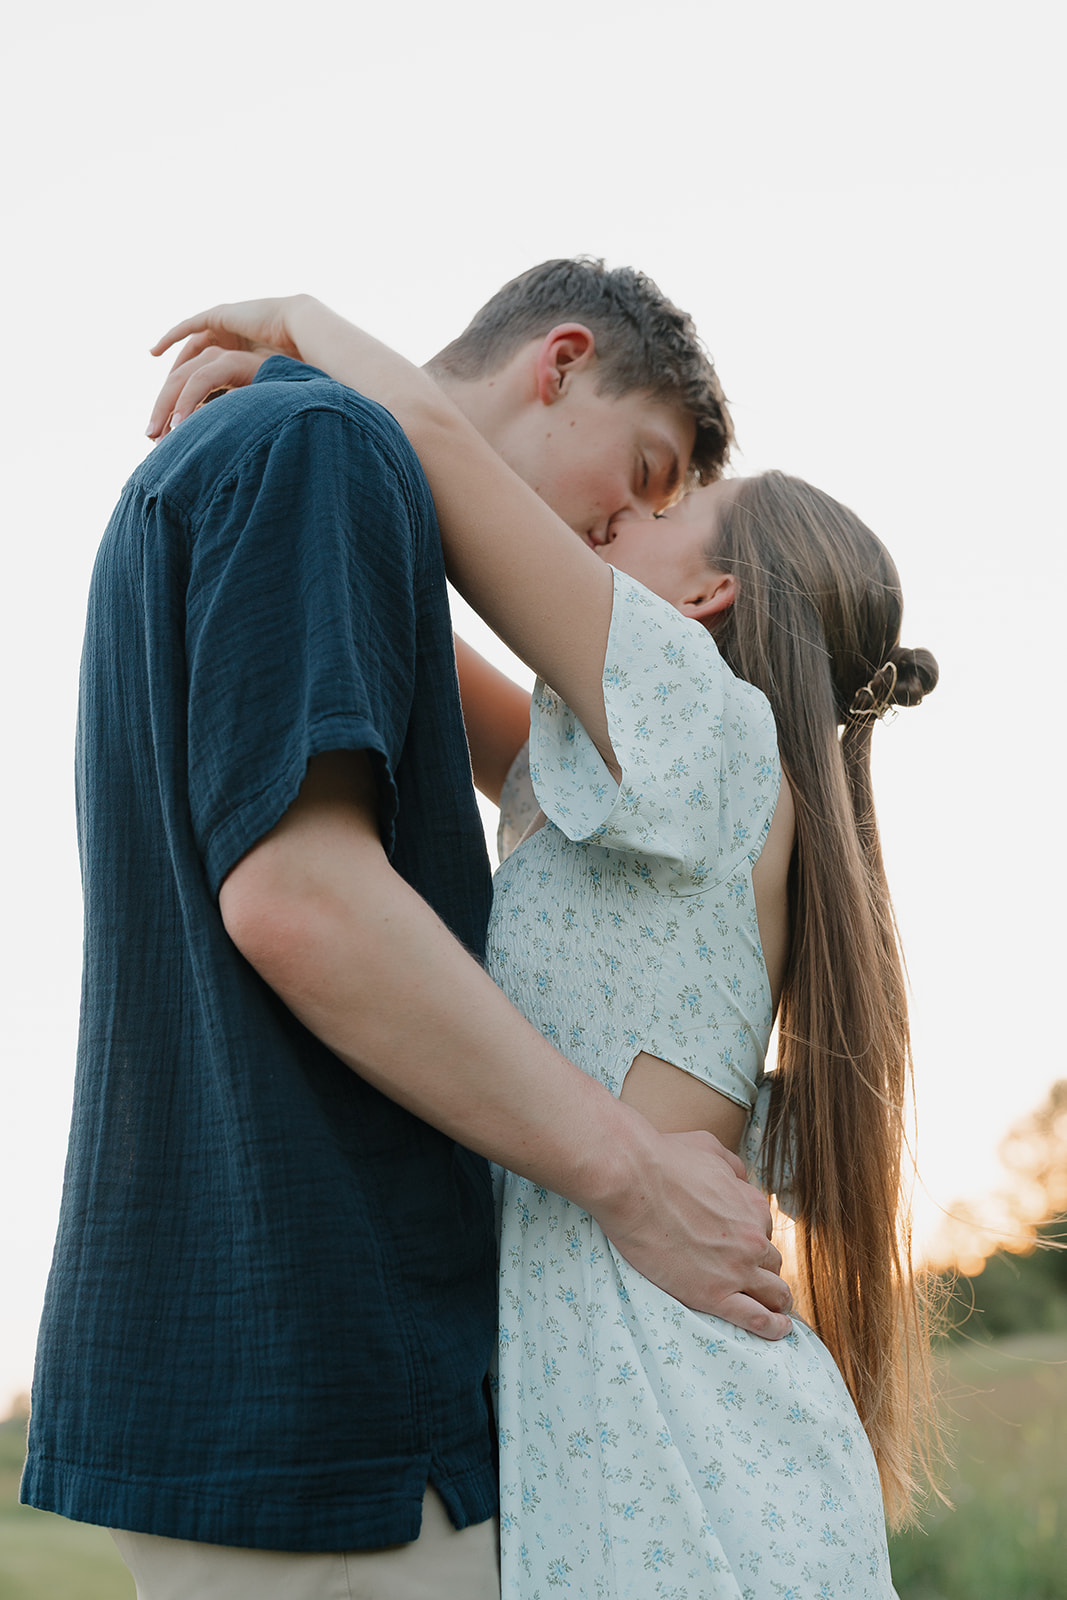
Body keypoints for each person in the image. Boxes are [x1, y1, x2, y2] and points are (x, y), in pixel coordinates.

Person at [149, 294, 941, 1598]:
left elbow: (442, 461)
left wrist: (299, 325)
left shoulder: (706, 724)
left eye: (657, 513)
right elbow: (413, 647)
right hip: (634, 1383)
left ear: (710, 593)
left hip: (666, 1408)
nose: (608, 526)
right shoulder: (658, 783)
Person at [22, 262, 792, 1600]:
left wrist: (314, 382)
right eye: (644, 463)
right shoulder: (326, 452)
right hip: (345, 1364)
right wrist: (632, 1172)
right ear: (558, 366)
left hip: (273, 1354)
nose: (620, 517)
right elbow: (302, 895)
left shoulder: (310, 464)